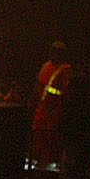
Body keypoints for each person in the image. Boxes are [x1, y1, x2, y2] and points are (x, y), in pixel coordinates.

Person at [32, 39, 71, 170]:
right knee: (37, 135)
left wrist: (60, 109)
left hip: (54, 110)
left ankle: (50, 166)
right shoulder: (46, 65)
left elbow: (65, 92)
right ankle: (37, 164)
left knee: (51, 139)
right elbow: (39, 84)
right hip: (41, 108)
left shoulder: (65, 69)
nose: (52, 54)